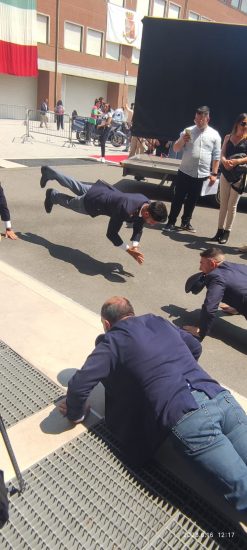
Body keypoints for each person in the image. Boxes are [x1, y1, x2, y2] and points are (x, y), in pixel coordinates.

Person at [58, 295, 247, 512]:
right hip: (219, 397)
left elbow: (79, 386)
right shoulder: (157, 321)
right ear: (132, 313)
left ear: (107, 324)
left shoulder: (112, 341)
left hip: (188, 417)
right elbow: (194, 346)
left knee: (242, 488)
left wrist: (76, 414)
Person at [40, 166, 167, 264]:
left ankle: (50, 172)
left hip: (100, 190)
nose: (152, 224)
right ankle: (53, 195)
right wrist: (128, 250)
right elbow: (111, 234)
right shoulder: (125, 209)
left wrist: (135, 246)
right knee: (71, 203)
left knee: (75, 184)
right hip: (93, 202)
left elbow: (139, 223)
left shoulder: (146, 202)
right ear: (146, 213)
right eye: (153, 221)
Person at [164, 106, 221, 233]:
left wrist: (214, 173)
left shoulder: (214, 135)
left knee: (192, 200)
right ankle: (171, 222)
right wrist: (182, 140)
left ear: (208, 119)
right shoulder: (188, 131)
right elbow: (176, 149)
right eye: (197, 119)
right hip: (185, 171)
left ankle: (185, 222)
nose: (199, 122)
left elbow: (216, 156)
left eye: (202, 119)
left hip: (202, 174)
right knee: (178, 197)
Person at [183, 247, 247, 340]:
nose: (200, 268)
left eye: (202, 263)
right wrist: (238, 306)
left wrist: (201, 331)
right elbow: (242, 288)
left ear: (212, 264)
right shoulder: (240, 267)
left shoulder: (217, 278)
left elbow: (209, 308)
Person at [210, 113, 247, 245]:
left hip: (239, 175)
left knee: (232, 205)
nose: (245, 126)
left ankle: (227, 231)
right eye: (243, 123)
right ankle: (219, 231)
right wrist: (224, 161)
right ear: (237, 123)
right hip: (226, 173)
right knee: (223, 204)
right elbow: (222, 153)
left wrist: (237, 161)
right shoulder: (228, 137)